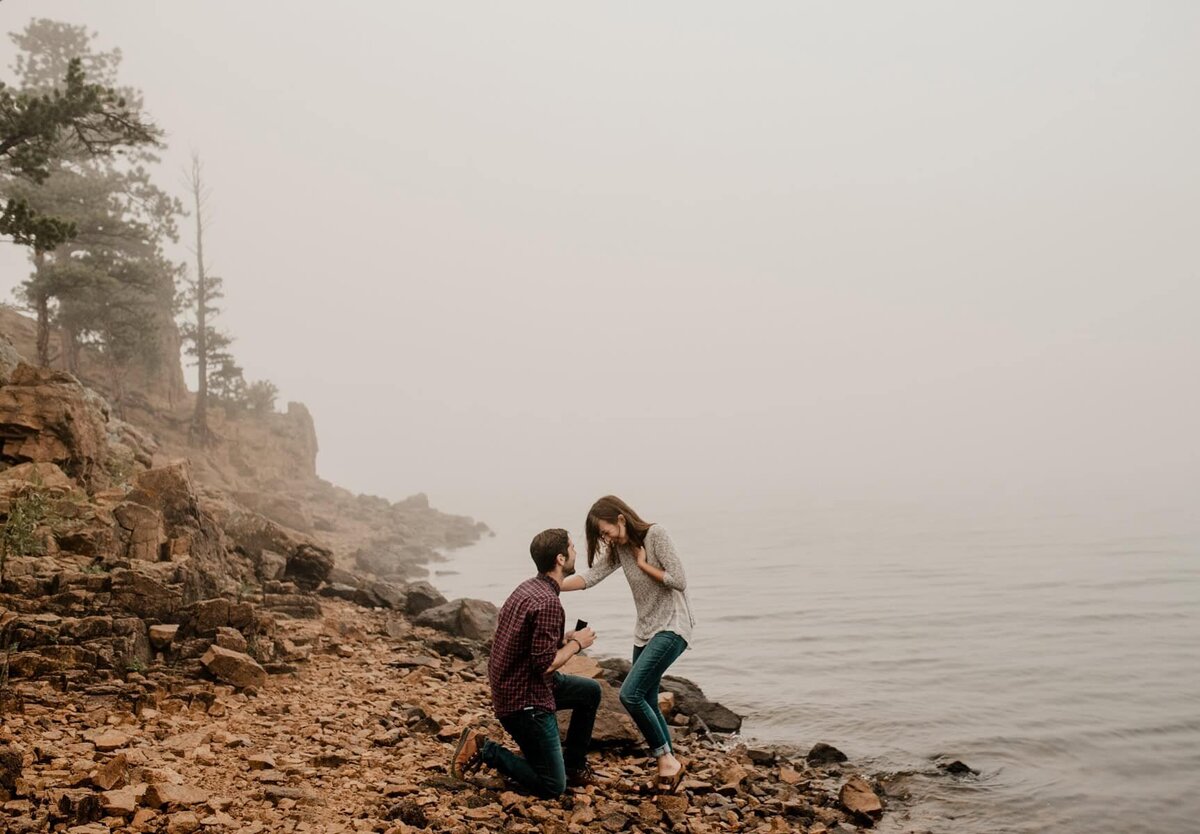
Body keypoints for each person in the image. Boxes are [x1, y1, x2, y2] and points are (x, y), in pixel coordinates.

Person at [451, 528, 601, 798]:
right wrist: (577, 644)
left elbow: (525, 643)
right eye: (572, 547)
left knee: (590, 692)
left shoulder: (528, 588)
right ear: (560, 558)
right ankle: (485, 749)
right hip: (525, 702)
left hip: (513, 686)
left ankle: (575, 765)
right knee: (553, 786)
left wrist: (562, 638)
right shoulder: (548, 603)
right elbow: (544, 664)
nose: (575, 552)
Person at [561, 495, 695, 794]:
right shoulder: (619, 548)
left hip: (672, 625)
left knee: (630, 694)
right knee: (646, 697)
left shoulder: (655, 534)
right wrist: (552, 583)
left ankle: (666, 760)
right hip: (645, 631)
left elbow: (679, 580)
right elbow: (592, 576)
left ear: (620, 518)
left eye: (604, 530)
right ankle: (669, 770)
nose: (604, 537)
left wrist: (643, 564)